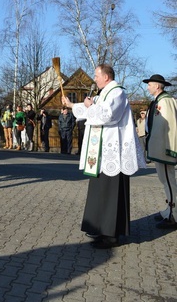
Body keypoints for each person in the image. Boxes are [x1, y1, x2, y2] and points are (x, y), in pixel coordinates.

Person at [63, 64, 145, 249]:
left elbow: (108, 115)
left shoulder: (117, 93)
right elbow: (88, 111)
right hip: (100, 154)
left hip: (113, 153)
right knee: (101, 191)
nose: (95, 79)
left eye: (97, 75)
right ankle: (101, 229)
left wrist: (91, 106)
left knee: (111, 193)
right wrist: (71, 105)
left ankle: (112, 235)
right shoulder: (103, 94)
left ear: (106, 77)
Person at [143, 74, 177, 229]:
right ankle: (169, 209)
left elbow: (172, 127)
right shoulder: (158, 101)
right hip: (159, 148)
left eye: (149, 84)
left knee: (169, 181)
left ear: (157, 86)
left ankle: (173, 215)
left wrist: (171, 149)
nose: (148, 87)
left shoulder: (166, 101)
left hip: (165, 148)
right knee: (165, 180)